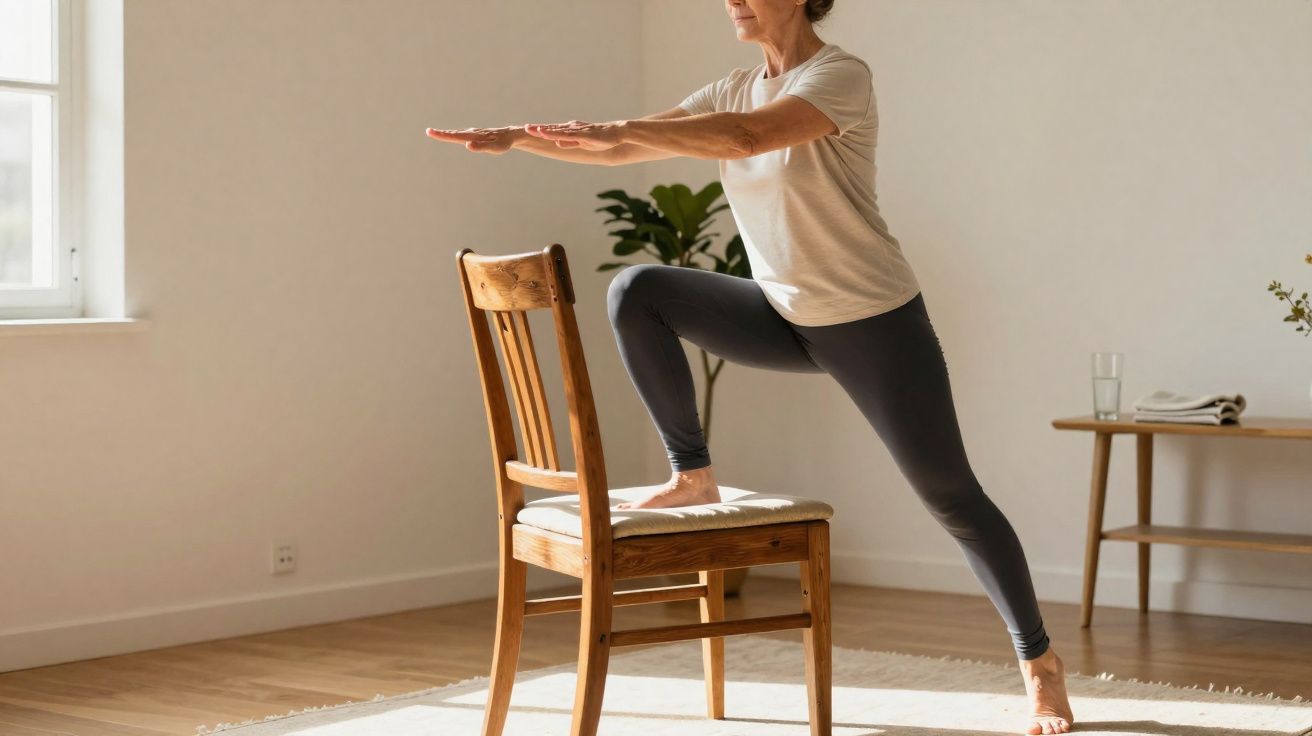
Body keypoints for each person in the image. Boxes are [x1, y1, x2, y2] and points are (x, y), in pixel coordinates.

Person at [425, 1, 1075, 732]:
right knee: (639, 291)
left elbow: (744, 137)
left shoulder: (840, 76)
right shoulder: (729, 87)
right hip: (781, 316)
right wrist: (520, 138)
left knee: (951, 497)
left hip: (872, 322)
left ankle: (1039, 662)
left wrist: (623, 128)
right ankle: (690, 471)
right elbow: (620, 150)